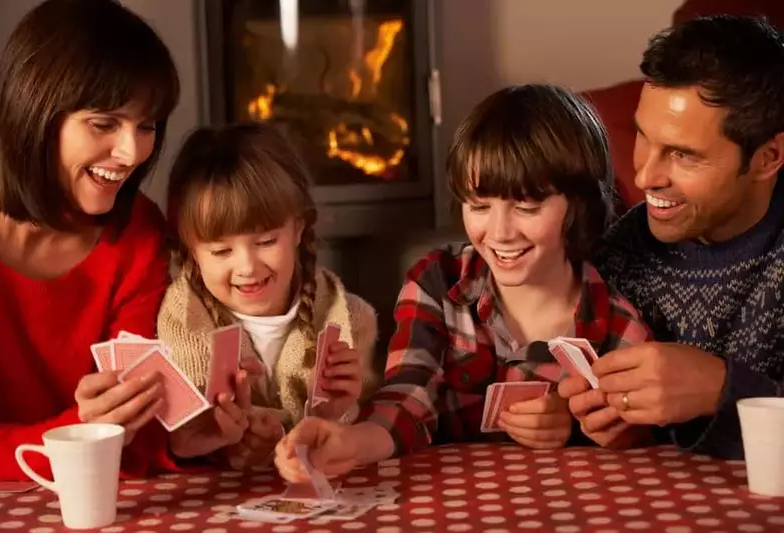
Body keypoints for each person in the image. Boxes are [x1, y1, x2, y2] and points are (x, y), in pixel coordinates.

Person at [273, 84, 652, 481]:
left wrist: (577, 426)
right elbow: (408, 395)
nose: (500, 232)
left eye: (527, 207)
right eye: (480, 206)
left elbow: (643, 434)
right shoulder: (436, 282)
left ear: (580, 205)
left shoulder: (618, 321)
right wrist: (350, 444)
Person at [559, 15, 784, 459]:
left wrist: (720, 389)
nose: (645, 175)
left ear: (767, 158)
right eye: (643, 137)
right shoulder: (617, 259)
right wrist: (619, 427)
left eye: (683, 155)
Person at [0, 0, 184, 481]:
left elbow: (138, 434)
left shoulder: (138, 231)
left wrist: (197, 432)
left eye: (147, 126)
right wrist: (81, 432)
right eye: (104, 123)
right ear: (33, 110)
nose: (132, 151)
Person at [157, 122, 380, 467]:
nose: (247, 266)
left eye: (265, 242)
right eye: (220, 251)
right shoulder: (181, 319)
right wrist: (225, 440)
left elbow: (366, 433)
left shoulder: (351, 318)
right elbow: (185, 438)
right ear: (190, 251)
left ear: (298, 229)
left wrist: (335, 413)